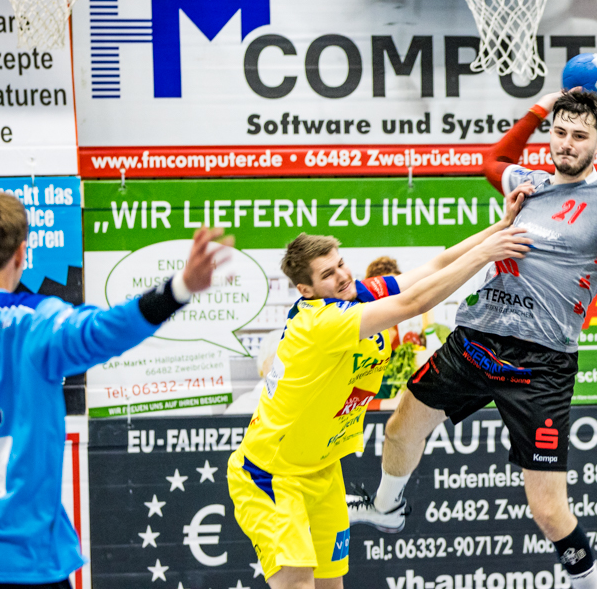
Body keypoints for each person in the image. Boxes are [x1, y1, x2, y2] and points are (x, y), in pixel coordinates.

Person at [348, 89, 597, 589]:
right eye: (559, 132)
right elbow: (492, 161)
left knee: (548, 511)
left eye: (579, 135)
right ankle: (387, 507)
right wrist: (538, 108)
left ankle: (590, 584)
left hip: (541, 365)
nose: (566, 143)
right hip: (476, 340)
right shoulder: (528, 183)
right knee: (400, 426)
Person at [0, 191, 230, 589]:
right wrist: (179, 288)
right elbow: (108, 329)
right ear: (22, 253)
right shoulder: (36, 323)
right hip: (24, 561)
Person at [226, 199, 532, 589]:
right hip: (271, 475)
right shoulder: (320, 323)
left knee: (331, 586)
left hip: (322, 471)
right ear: (306, 290)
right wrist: (488, 254)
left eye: (340, 264)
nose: (342, 276)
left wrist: (499, 228)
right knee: (298, 583)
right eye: (327, 274)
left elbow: (434, 267)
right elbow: (415, 302)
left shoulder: (356, 294)